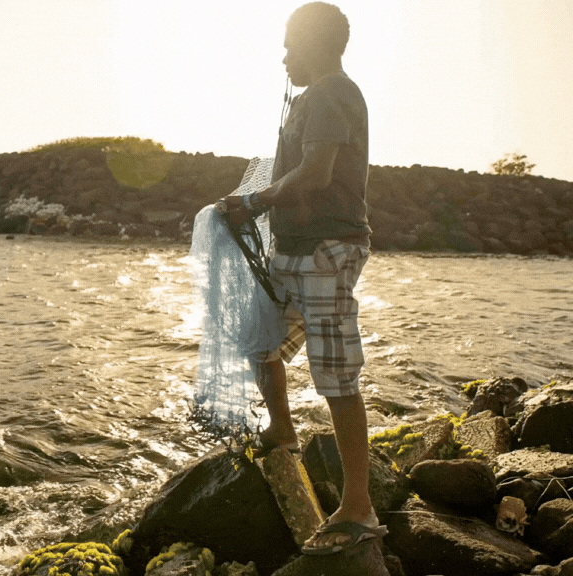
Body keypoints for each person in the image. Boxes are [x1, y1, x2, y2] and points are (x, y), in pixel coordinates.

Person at [218, 2, 383, 555]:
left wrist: (255, 200)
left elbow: (317, 172)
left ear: (317, 46)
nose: (284, 56)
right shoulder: (309, 100)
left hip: (326, 251)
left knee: (336, 375)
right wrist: (259, 209)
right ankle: (282, 431)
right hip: (293, 252)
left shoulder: (335, 93)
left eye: (291, 45)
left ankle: (358, 506)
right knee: (259, 340)